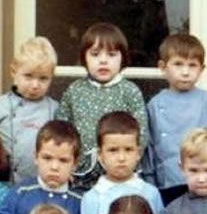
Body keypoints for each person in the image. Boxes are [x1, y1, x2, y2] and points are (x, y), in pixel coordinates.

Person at [60, 23, 148, 191]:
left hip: (122, 176)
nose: (103, 60)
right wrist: (65, 163)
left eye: (112, 54)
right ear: (84, 58)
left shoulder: (130, 91)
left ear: (123, 58)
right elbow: (63, 130)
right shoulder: (75, 91)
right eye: (95, 54)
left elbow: (141, 133)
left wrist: (130, 162)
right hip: (80, 178)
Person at [143, 33, 207, 192]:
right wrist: (149, 181)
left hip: (204, 181)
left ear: (202, 69)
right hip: (167, 183)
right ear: (163, 67)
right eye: (178, 64)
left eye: (192, 65)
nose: (185, 72)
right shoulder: (155, 104)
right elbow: (150, 147)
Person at [79, 112, 164, 214]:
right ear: (100, 155)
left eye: (128, 150)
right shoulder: (92, 197)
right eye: (113, 150)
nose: (121, 158)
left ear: (138, 153)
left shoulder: (150, 193)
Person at [0, 36, 61, 182]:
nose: (35, 85)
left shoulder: (55, 110)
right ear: (13, 72)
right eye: (28, 76)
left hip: (41, 183)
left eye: (43, 78)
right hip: (3, 183)